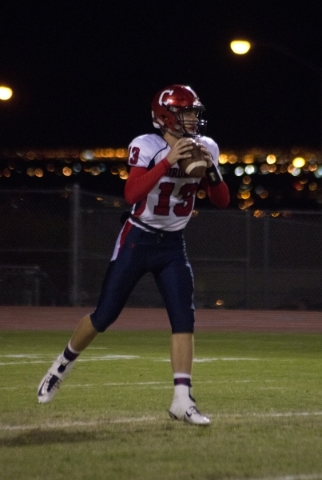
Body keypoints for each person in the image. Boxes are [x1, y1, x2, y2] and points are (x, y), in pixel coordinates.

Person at [37, 85, 230, 425]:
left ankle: (182, 400)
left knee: (184, 318)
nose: (193, 119)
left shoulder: (207, 147)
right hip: (138, 238)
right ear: (166, 116)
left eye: (194, 112)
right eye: (186, 112)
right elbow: (132, 193)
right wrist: (169, 160)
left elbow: (223, 201)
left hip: (173, 244)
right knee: (105, 315)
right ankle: (61, 365)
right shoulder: (147, 145)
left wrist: (211, 170)